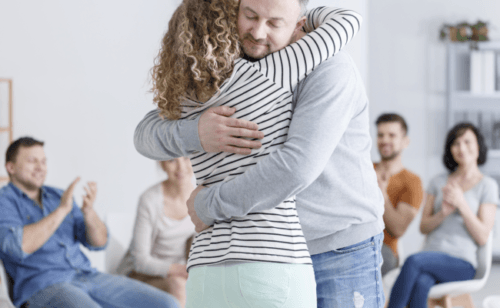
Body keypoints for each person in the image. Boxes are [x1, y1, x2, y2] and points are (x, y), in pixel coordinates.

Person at [134, 0, 385, 307]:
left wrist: (208, 205)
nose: (257, 32)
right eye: (249, 16)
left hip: (338, 245)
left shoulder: (330, 67)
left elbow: (295, 168)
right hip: (267, 252)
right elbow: (145, 133)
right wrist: (196, 132)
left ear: (298, 24)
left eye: (274, 23)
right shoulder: (229, 67)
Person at [0, 137, 180, 308]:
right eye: (32, 161)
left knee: (167, 304)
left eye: (44, 161)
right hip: (41, 285)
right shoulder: (5, 201)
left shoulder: (57, 196)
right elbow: (17, 246)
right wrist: (61, 210)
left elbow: (99, 243)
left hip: (86, 275)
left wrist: (89, 212)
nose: (40, 167)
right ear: (11, 167)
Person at [387, 123, 498, 308]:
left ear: (478, 146)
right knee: (422, 283)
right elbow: (423, 227)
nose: (461, 147)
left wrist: (461, 204)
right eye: (455, 143)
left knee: (413, 261)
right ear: (450, 150)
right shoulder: (437, 181)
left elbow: (483, 236)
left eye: (467, 142)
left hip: (462, 263)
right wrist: (443, 213)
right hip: (430, 256)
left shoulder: (487, 186)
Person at [117, 158, 196, 308]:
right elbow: (140, 262)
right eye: (172, 160)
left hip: (180, 273)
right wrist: (183, 271)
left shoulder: (202, 198)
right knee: (179, 285)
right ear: (162, 164)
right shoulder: (150, 200)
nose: (181, 167)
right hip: (140, 275)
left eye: (187, 158)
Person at [373, 113, 423, 276]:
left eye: (392, 135)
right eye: (381, 135)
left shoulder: (412, 182)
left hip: (384, 250)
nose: (385, 140)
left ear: (405, 142)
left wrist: (382, 193)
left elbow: (398, 229)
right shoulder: (365, 168)